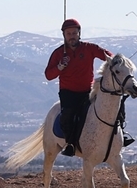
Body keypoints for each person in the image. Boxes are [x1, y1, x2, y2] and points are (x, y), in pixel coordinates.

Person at [44, 18, 115, 157]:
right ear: (64, 35)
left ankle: (118, 136)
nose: (72, 36)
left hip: (88, 91)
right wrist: (59, 67)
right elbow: (48, 75)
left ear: (79, 33)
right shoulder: (59, 53)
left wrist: (115, 61)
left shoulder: (89, 48)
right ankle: (70, 144)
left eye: (74, 33)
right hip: (68, 93)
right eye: (69, 33)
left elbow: (107, 55)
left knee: (110, 106)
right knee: (67, 116)